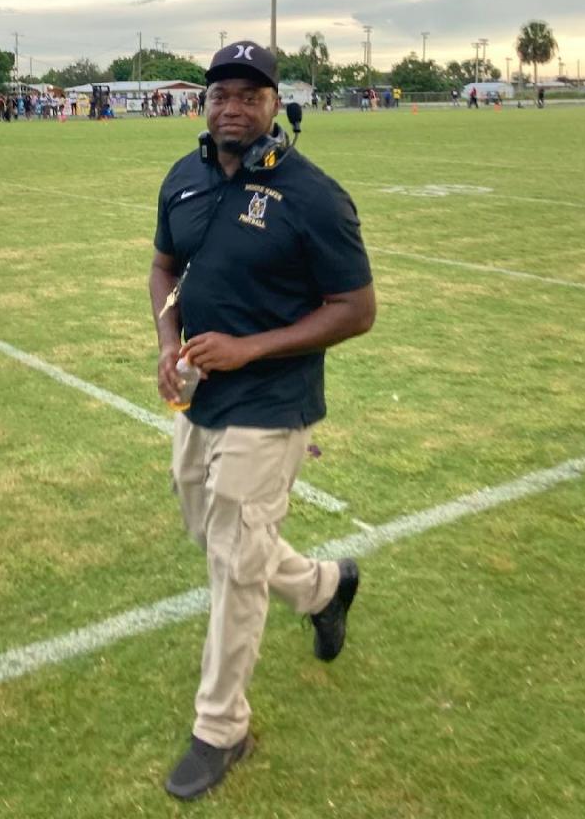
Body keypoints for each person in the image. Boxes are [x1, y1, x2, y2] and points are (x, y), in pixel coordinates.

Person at [149, 40, 376, 801]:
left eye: (251, 94)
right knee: (213, 535)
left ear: (275, 105)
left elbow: (355, 310)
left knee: (236, 564)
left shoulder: (312, 195)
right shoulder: (182, 178)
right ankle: (321, 587)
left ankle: (222, 727)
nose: (233, 107)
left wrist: (250, 349)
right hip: (199, 397)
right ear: (203, 103)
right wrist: (167, 342)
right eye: (221, 93)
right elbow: (163, 267)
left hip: (272, 405)